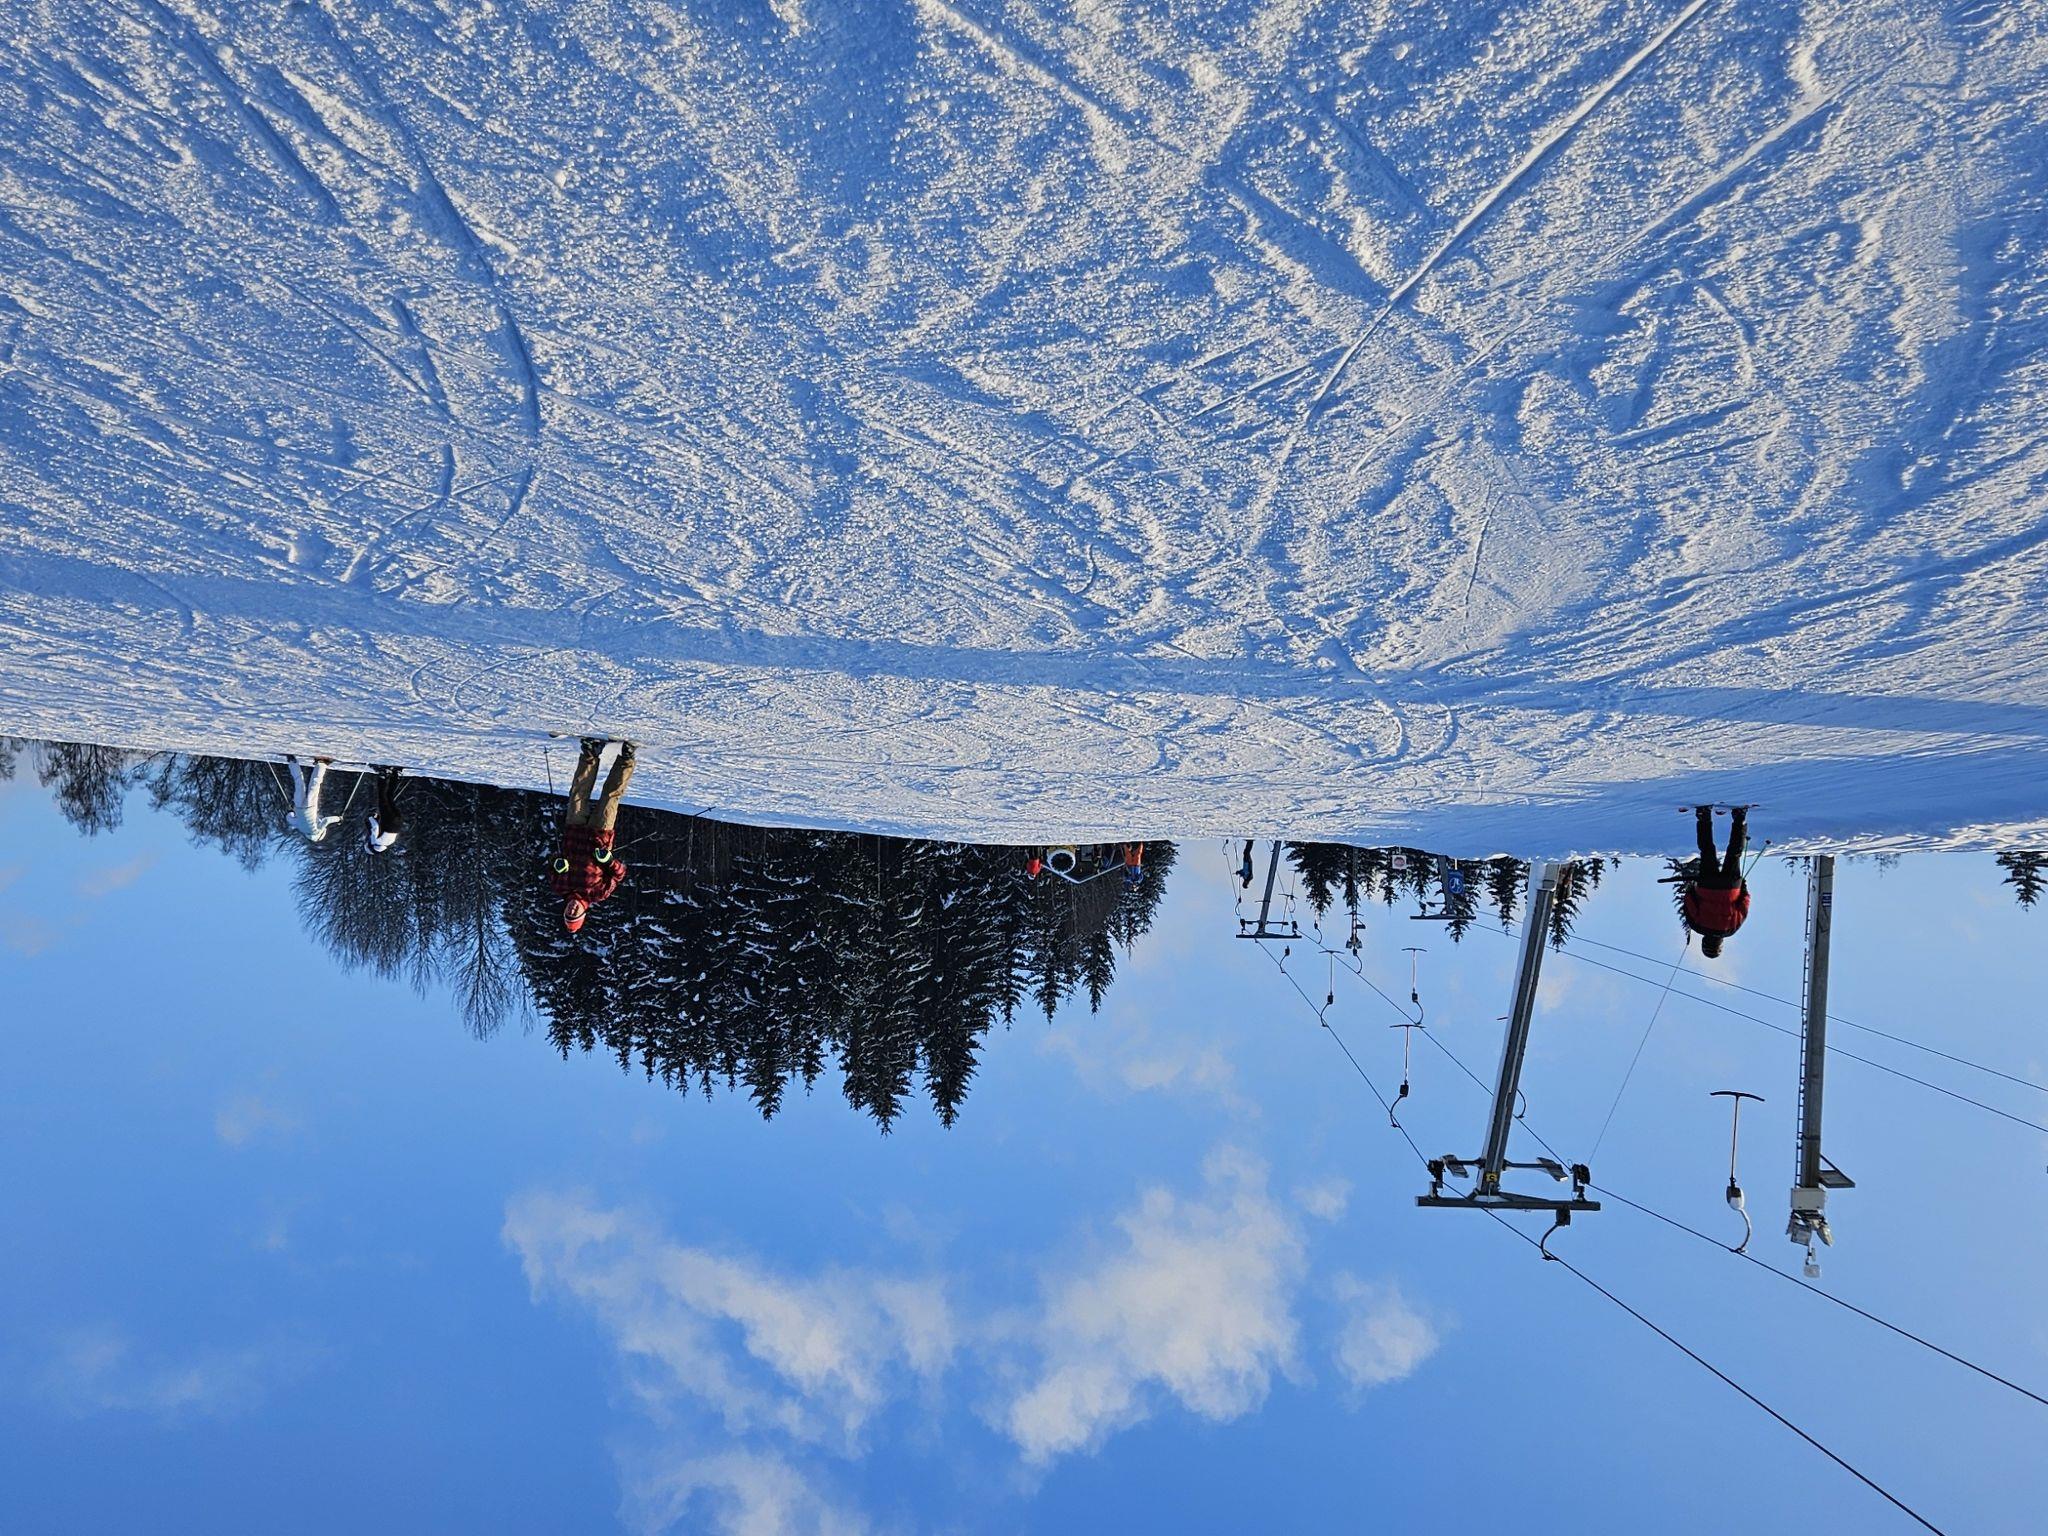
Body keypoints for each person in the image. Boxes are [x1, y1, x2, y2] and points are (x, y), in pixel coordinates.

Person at [549, 738, 635, 933]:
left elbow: (553, 861)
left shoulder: (559, 886)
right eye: (575, 914)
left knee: (578, 793)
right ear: (583, 913)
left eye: (568, 912)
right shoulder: (598, 894)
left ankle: (590, 753)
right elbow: (619, 874)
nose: (572, 909)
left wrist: (557, 863)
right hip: (600, 835)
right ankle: (626, 758)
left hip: (574, 830)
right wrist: (608, 860)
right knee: (610, 797)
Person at [1683, 805, 1751, 958]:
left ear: (1720, 944)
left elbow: (1744, 905)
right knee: (1707, 850)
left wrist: (1743, 887)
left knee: (1734, 853)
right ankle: (1704, 816)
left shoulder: (1731, 929)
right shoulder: (1697, 926)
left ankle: (1740, 818)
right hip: (1707, 885)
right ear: (1704, 942)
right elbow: (1689, 901)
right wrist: (1692, 888)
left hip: (1730, 886)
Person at [285, 754, 341, 842]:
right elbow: (289, 819)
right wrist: (290, 812)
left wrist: (339, 819)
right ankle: (292, 762)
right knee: (299, 783)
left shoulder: (317, 831)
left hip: (310, 806)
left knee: (315, 785)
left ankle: (321, 763)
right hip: (298, 807)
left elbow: (326, 820)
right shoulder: (301, 828)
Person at [365, 767, 403, 854]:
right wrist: (370, 818)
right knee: (382, 797)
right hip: (389, 820)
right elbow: (375, 827)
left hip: (398, 821)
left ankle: (396, 775)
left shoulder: (388, 843)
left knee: (389, 797)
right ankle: (383, 775)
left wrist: (378, 818)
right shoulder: (375, 841)